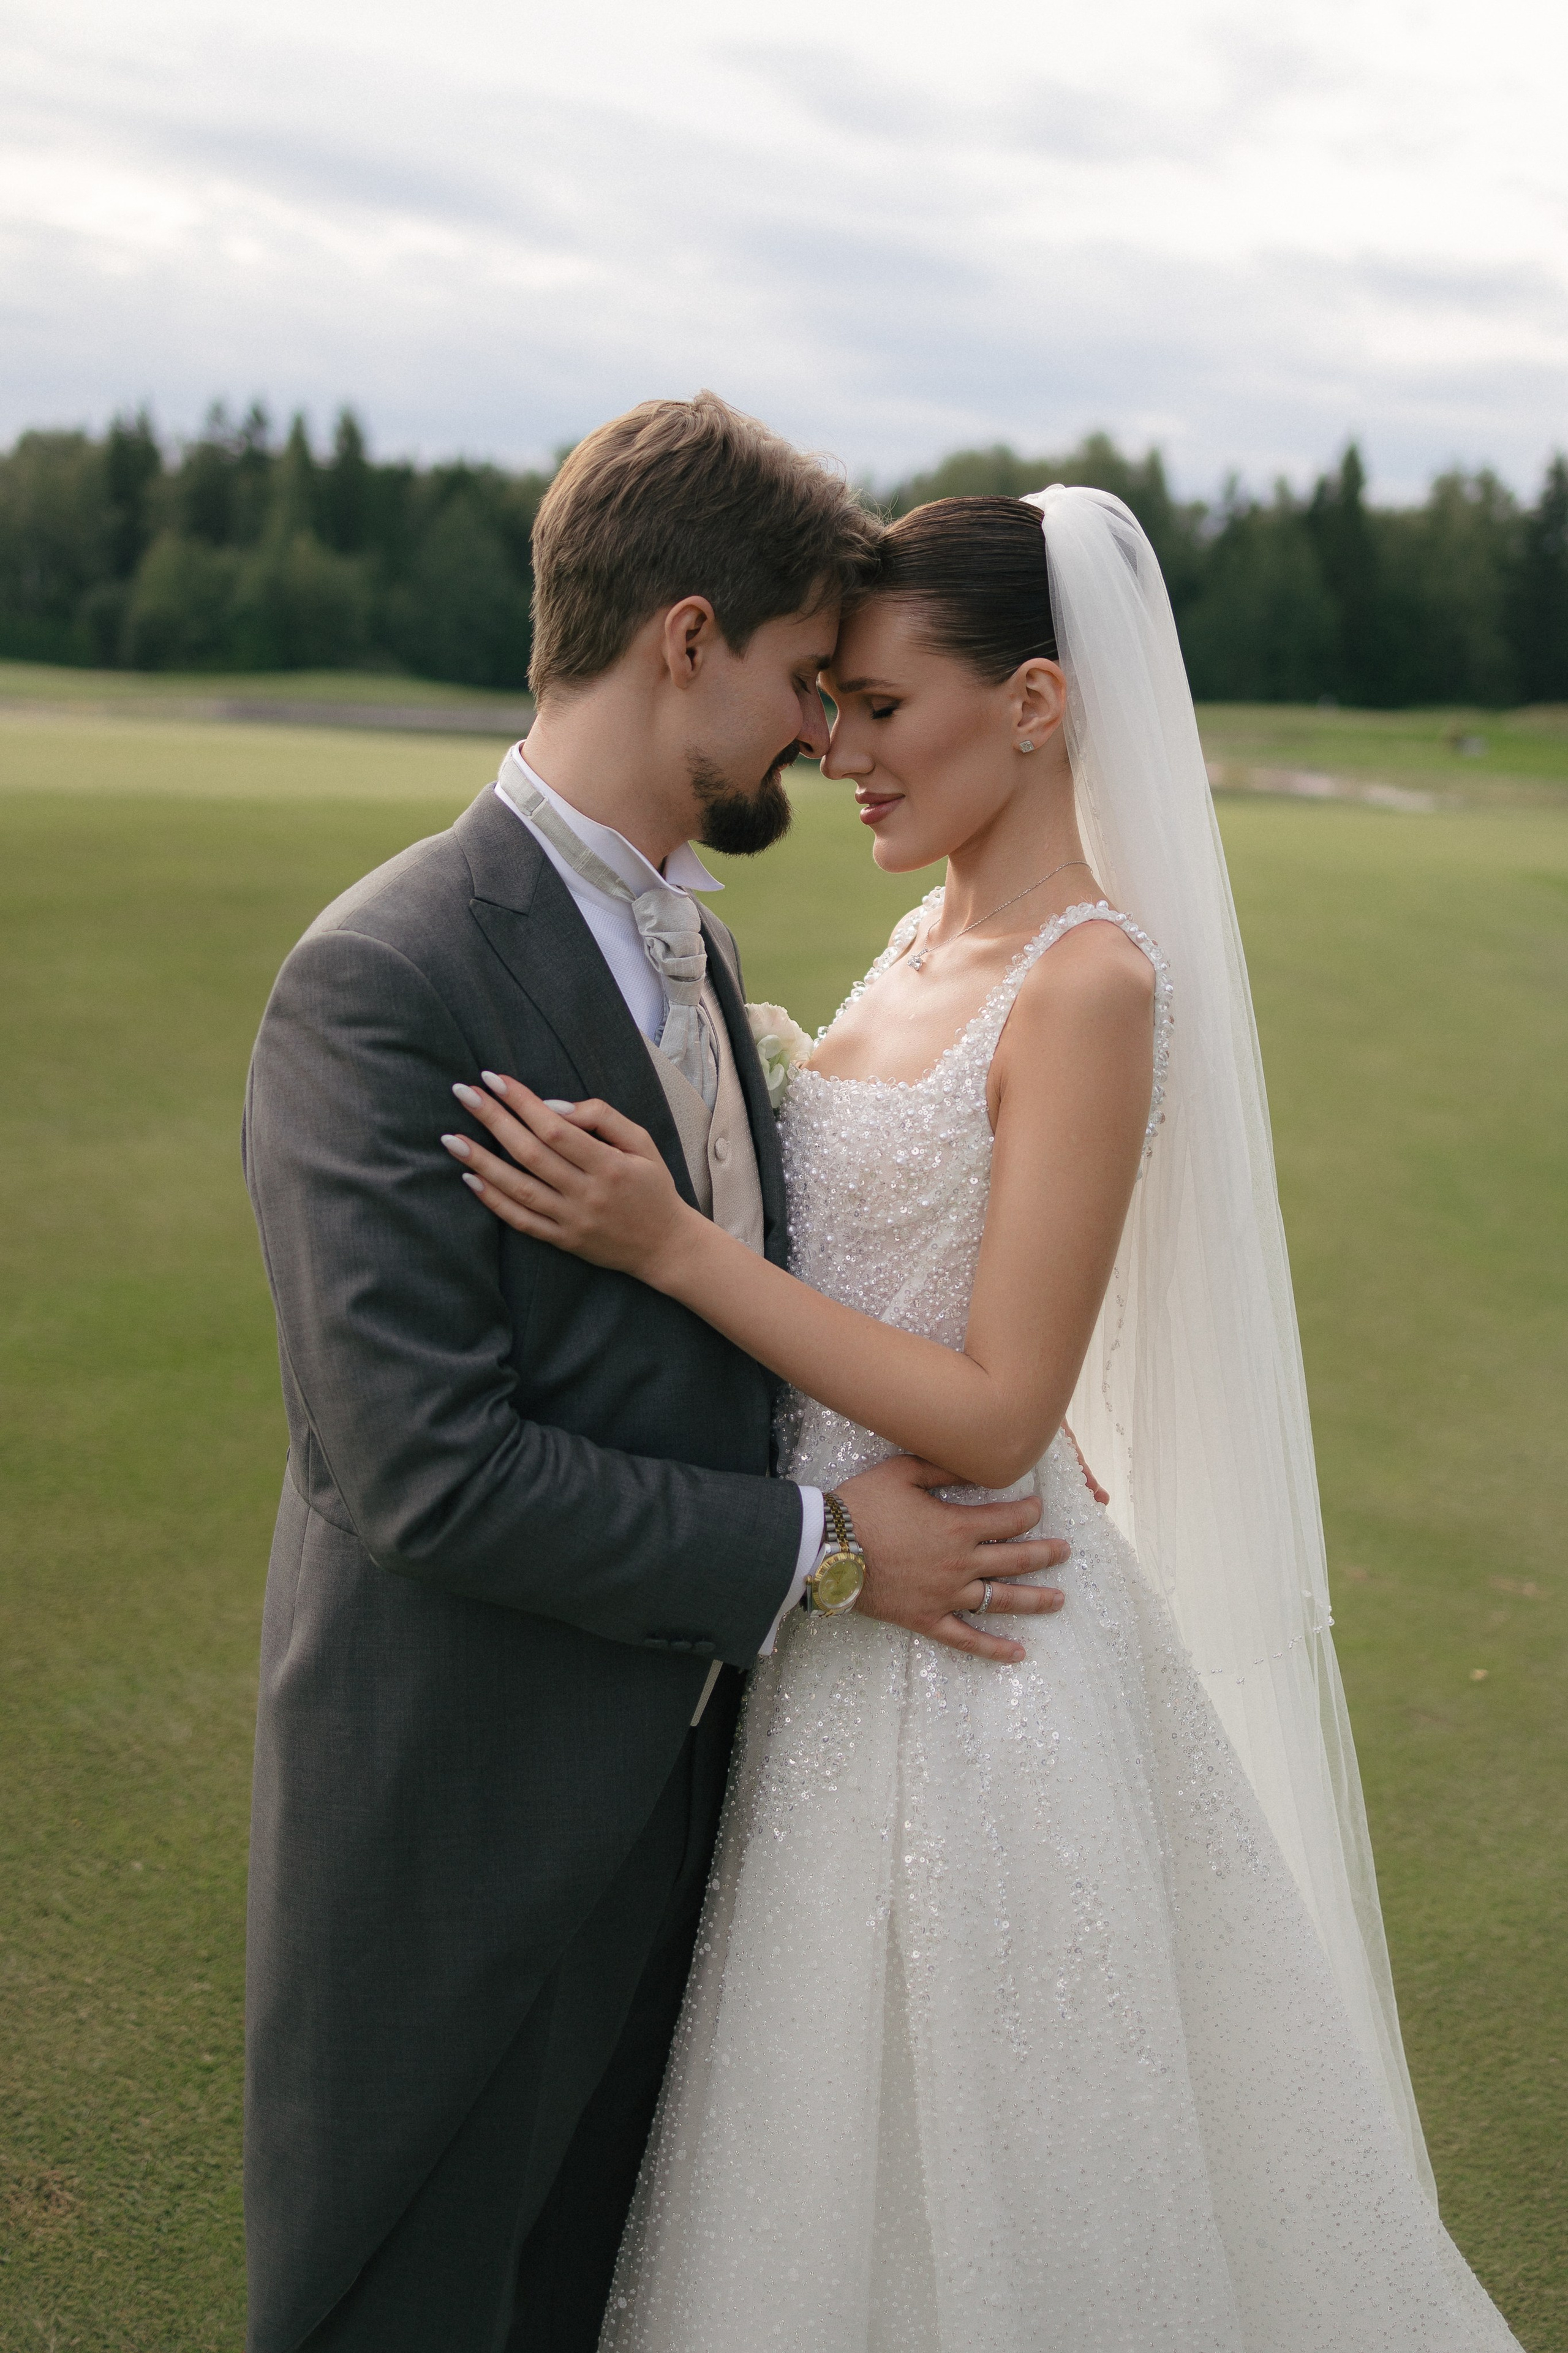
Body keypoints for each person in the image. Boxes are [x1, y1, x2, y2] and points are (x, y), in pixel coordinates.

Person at [451, 488, 1525, 2351]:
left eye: (880, 706)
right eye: (831, 702)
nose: (836, 750)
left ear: (1036, 702)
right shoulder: (921, 939)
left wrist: (674, 1246)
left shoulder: (1089, 979)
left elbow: (1007, 1397)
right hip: (848, 1623)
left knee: (1003, 2182)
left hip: (976, 1677)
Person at [239, 398, 1077, 2353]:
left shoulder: (691, 953)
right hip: (464, 1814)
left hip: (693, 1807)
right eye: (804, 675)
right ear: (685, 637)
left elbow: (740, 1309)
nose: (819, 729)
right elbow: (423, 1472)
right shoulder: (390, 972)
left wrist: (947, 1425)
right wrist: (826, 1543)